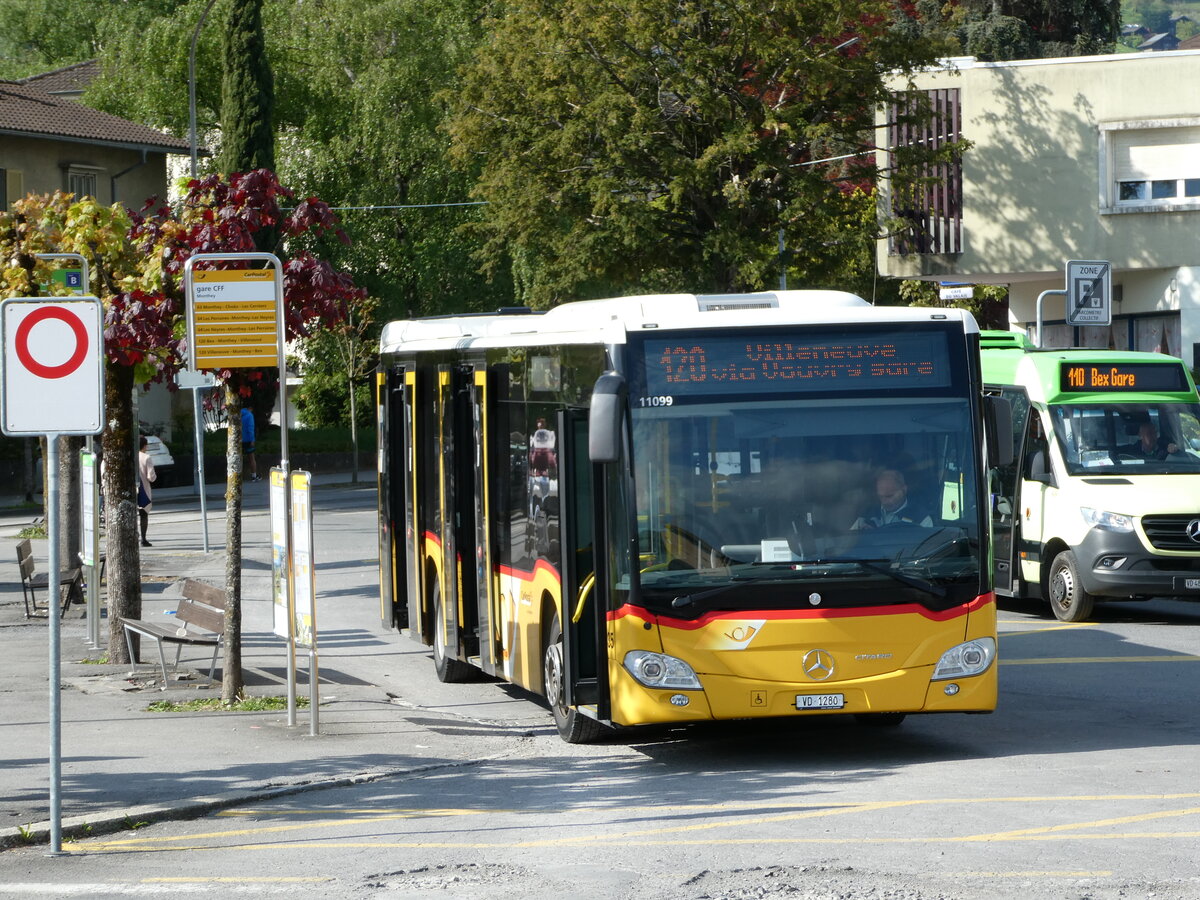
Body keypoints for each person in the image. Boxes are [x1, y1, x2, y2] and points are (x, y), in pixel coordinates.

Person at [855, 468, 933, 529]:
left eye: (889, 496)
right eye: (880, 496)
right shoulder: (865, 515)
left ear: (904, 490)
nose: (884, 502)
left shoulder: (921, 519)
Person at [137, 435, 156, 547]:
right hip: (143, 489)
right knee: (143, 514)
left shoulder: (129, 455)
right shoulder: (146, 457)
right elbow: (151, 477)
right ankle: (143, 538)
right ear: (145, 446)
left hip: (130, 489)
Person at [241, 406, 259, 481]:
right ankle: (254, 476)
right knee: (251, 458)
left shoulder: (238, 414)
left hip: (239, 439)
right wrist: (252, 440)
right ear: (251, 408)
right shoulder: (249, 415)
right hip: (248, 439)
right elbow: (250, 428)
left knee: (239, 458)